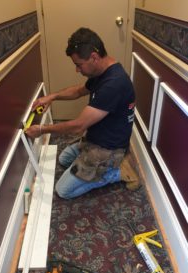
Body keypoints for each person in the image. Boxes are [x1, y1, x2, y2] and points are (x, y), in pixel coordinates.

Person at [26, 27, 140, 199]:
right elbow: (79, 91)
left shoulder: (114, 84)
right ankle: (95, 166)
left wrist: (42, 129)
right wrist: (52, 97)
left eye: (79, 65)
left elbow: (78, 126)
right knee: (64, 159)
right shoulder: (102, 71)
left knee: (63, 190)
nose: (77, 70)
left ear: (94, 57)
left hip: (108, 149)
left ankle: (117, 172)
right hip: (95, 139)